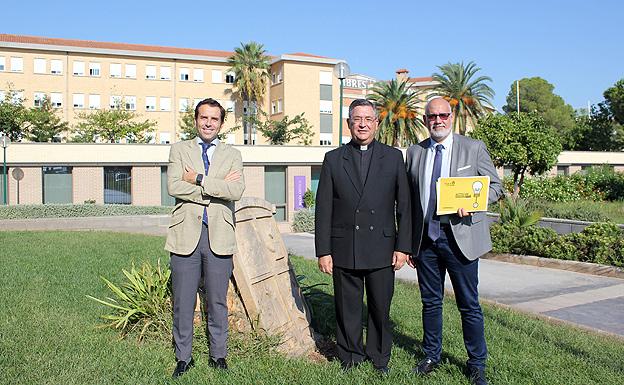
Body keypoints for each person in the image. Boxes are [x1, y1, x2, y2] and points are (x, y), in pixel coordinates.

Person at [405, 97, 504, 385]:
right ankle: (431, 355)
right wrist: (410, 242)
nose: (438, 120)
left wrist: (474, 202)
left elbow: (496, 186)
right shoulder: (414, 152)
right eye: (432, 116)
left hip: (460, 239)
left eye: (443, 115)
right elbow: (410, 201)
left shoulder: (473, 148)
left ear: (452, 117)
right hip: (426, 241)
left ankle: (476, 364)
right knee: (430, 302)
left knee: (468, 305)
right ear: (425, 120)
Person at [314, 99, 411, 374]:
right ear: (348, 124)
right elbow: (324, 208)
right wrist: (324, 250)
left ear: (376, 123)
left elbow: (403, 205)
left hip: (382, 246)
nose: (362, 124)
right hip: (344, 247)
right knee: (347, 308)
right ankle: (350, 357)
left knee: (380, 307)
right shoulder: (333, 158)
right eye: (357, 119)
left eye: (368, 119)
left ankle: (380, 358)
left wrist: (403, 247)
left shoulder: (393, 157)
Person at [165, 98, 245, 378]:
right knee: (183, 301)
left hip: (219, 235)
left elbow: (236, 192)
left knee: (217, 301)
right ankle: (183, 357)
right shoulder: (179, 150)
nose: (208, 123)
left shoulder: (232, 154)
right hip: (185, 234)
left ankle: (218, 355)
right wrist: (217, 187)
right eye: (203, 118)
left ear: (221, 123)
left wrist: (198, 179)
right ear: (196, 120)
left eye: (214, 119)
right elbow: (174, 186)